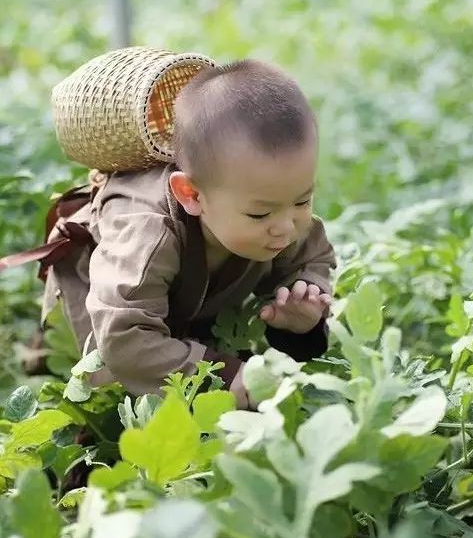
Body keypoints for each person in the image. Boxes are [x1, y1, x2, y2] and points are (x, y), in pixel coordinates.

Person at [40, 59, 337, 410]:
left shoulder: (268, 203)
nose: (287, 227)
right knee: (109, 393)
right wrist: (226, 378)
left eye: (303, 199)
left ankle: (188, 339)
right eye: (260, 213)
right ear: (191, 195)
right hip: (101, 291)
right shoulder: (145, 233)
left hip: (187, 293)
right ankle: (42, 352)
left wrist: (302, 317)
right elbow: (123, 337)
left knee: (202, 341)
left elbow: (312, 257)